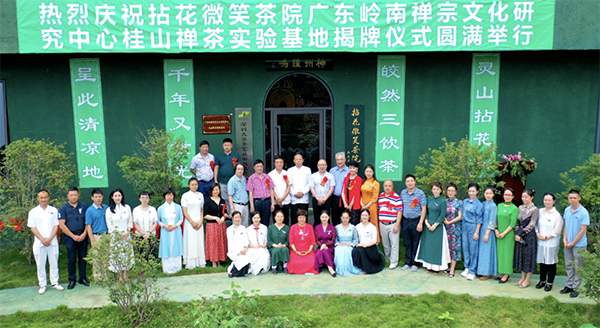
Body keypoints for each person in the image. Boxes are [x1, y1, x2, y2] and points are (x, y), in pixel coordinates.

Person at [28, 189, 64, 294]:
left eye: (45, 197)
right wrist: (43, 239)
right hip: (39, 243)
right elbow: (32, 227)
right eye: (41, 197)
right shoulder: (33, 212)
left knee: (54, 263)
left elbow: (56, 225)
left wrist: (49, 238)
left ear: (48, 198)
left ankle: (55, 282)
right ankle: (42, 284)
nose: (44, 199)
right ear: (38, 199)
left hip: (52, 242)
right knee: (40, 264)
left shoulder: (54, 210)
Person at [58, 187, 89, 290]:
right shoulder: (63, 208)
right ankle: (72, 280)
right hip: (70, 237)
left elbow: (88, 222)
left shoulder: (84, 206)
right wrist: (73, 236)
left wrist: (84, 234)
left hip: (83, 235)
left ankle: (82, 278)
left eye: (75, 195)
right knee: (72, 259)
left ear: (78, 195)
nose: (73, 197)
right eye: (71, 195)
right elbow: (62, 225)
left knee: (83, 258)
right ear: (67, 196)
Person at [415, 182, 450, 273]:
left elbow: (442, 215)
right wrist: (426, 223)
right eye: (434, 189)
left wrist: (434, 225)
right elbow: (426, 212)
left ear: (441, 190)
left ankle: (436, 268)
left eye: (437, 189)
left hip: (437, 228)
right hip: (428, 227)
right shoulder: (429, 199)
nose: (435, 191)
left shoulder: (443, 201)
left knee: (436, 248)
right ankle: (428, 266)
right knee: (428, 247)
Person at [560, 190, 589, 298]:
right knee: (569, 265)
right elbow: (565, 225)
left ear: (579, 198)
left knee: (578, 266)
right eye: (570, 198)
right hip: (568, 243)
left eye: (574, 198)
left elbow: (582, 231)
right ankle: (569, 285)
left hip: (579, 245)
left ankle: (576, 287)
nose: (572, 200)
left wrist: (573, 243)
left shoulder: (583, 212)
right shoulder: (567, 210)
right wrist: (564, 239)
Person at [535, 193, 563, 292]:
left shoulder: (556, 215)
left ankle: (549, 282)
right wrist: (537, 233)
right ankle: (542, 281)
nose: (547, 202)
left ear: (553, 201)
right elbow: (536, 224)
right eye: (545, 200)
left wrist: (547, 237)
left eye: (549, 200)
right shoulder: (540, 211)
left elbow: (557, 230)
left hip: (551, 242)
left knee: (551, 263)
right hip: (541, 241)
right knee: (542, 262)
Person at [400, 174, 427, 272]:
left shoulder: (420, 193)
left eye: (411, 181)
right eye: (408, 181)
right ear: (405, 183)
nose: (410, 183)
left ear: (415, 182)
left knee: (416, 242)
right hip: (406, 220)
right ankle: (408, 262)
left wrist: (420, 223)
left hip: (416, 220)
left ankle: (415, 263)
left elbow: (424, 209)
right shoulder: (403, 193)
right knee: (407, 243)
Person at [514, 189, 539, 288]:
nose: (524, 199)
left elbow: (532, 224)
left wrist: (521, 234)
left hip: (529, 236)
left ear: (531, 197)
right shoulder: (520, 207)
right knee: (522, 256)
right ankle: (522, 277)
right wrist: (518, 232)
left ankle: (528, 279)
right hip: (520, 235)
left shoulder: (535, 209)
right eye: (522, 197)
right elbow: (517, 222)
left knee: (529, 257)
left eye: (526, 197)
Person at [105, 188, 134, 273]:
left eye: (119, 195)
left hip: (126, 236)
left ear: (122, 196)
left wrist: (127, 232)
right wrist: (119, 234)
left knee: (126, 255)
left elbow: (129, 221)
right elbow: (110, 225)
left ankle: (125, 275)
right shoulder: (109, 210)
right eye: (115, 196)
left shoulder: (127, 207)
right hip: (116, 237)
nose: (117, 197)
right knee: (118, 255)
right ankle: (119, 276)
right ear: (112, 197)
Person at [181, 178, 206, 269]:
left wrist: (200, 221)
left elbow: (202, 209)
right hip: (189, 223)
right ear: (189, 185)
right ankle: (191, 263)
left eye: (196, 184)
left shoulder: (200, 195)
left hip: (199, 223)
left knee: (199, 241)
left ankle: (200, 262)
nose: (194, 186)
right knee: (191, 241)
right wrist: (192, 222)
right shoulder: (185, 196)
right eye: (192, 184)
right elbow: (185, 210)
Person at [377, 179, 402, 270]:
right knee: (385, 243)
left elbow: (399, 212)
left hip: (393, 223)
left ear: (392, 186)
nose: (387, 188)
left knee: (394, 244)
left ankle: (394, 261)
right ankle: (387, 258)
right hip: (382, 224)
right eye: (386, 186)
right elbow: (379, 209)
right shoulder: (380, 197)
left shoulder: (397, 197)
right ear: (383, 187)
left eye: (389, 186)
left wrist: (397, 225)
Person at [495, 188, 518, 284]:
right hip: (498, 234)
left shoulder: (514, 208)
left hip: (507, 235)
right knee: (500, 254)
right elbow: (495, 219)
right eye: (505, 194)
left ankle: (506, 274)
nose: (507, 197)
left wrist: (504, 233)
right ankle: (502, 272)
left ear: (513, 196)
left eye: (509, 195)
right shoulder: (499, 206)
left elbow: (512, 224)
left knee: (507, 254)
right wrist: (496, 230)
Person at [158, 188, 183, 274]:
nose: (169, 197)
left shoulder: (178, 207)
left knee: (176, 247)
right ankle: (167, 270)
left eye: (171, 195)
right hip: (165, 231)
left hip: (176, 230)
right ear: (165, 196)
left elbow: (181, 218)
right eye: (167, 195)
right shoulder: (161, 208)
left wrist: (175, 226)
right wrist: (164, 226)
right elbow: (157, 220)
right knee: (166, 248)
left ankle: (177, 268)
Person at [461, 183, 483, 281]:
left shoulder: (478, 204)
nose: (471, 193)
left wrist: (477, 232)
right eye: (470, 191)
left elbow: (479, 219)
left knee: (473, 249)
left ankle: (472, 270)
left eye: (473, 191)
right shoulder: (465, 201)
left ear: (477, 192)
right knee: (465, 248)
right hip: (464, 226)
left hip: (473, 226)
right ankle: (467, 267)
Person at [85, 189, 109, 279]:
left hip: (107, 235)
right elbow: (88, 226)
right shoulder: (89, 211)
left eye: (100, 196)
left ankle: (106, 277)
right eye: (96, 197)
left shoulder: (107, 208)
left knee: (106, 257)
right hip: (96, 236)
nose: (98, 198)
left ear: (102, 197)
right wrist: (92, 239)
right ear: (92, 198)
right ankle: (98, 277)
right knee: (97, 257)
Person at [352, 209, 384, 274]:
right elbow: (355, 238)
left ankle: (366, 269)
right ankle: (360, 267)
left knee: (362, 251)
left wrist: (366, 245)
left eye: (366, 215)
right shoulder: (357, 226)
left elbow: (374, 241)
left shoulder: (373, 227)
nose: (364, 217)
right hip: (360, 246)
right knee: (357, 251)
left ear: (369, 216)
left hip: (370, 247)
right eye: (362, 215)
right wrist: (358, 244)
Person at [204, 183, 228, 267]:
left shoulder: (222, 201)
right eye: (214, 190)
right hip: (212, 226)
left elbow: (225, 213)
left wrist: (223, 218)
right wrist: (215, 218)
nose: (215, 191)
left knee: (220, 242)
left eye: (217, 189)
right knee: (213, 243)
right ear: (211, 191)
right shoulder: (208, 201)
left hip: (221, 225)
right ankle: (213, 261)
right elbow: (205, 215)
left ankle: (220, 260)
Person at [214, 137, 242, 209]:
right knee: (225, 198)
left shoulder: (236, 155)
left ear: (232, 145)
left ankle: (235, 214)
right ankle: (228, 214)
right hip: (223, 181)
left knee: (234, 197)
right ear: (223, 146)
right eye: (225, 145)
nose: (227, 147)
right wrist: (215, 180)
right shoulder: (219, 156)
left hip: (234, 181)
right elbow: (216, 167)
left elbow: (240, 167)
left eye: (228, 145)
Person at [288, 210, 319, 275]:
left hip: (308, 250)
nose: (302, 219)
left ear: (306, 218)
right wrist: (296, 251)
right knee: (293, 263)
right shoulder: (293, 227)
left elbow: (312, 241)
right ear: (297, 218)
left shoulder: (310, 227)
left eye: (303, 217)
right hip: (296, 250)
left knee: (312, 262)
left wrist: (309, 251)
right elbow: (291, 242)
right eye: (300, 217)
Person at [477, 186, 498, 280]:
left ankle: (487, 272)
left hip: (487, 231)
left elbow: (492, 221)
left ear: (493, 194)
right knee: (481, 251)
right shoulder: (482, 204)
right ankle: (480, 270)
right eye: (486, 193)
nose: (488, 195)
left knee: (487, 251)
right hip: (481, 230)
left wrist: (487, 233)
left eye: (490, 193)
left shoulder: (493, 206)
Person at [247, 159, 276, 226]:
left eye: (261, 166)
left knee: (266, 221)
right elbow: (250, 193)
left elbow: (271, 190)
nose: (259, 168)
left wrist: (272, 203)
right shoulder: (251, 178)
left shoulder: (267, 177)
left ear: (263, 167)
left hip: (266, 202)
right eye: (257, 166)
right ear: (254, 167)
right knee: (256, 221)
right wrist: (252, 205)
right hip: (257, 202)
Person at [334, 210, 362, 276]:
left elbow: (356, 239)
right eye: (343, 218)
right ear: (341, 218)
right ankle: (340, 269)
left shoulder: (353, 227)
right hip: (339, 245)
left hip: (349, 245)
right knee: (340, 250)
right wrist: (338, 244)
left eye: (347, 218)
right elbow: (335, 239)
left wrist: (351, 245)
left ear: (349, 218)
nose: (345, 220)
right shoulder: (337, 227)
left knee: (346, 250)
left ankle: (348, 268)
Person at [444, 183, 462, 278]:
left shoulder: (459, 202)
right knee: (447, 247)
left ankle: (452, 269)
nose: (450, 192)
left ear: (455, 192)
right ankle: (447, 266)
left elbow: (460, 216)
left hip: (455, 228)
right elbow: (442, 214)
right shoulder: (444, 202)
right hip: (446, 228)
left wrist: (449, 222)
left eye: (452, 191)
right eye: (449, 191)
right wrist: (445, 221)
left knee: (454, 248)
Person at [132, 191, 158, 259]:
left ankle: (152, 268)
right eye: (143, 198)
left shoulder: (153, 209)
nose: (145, 199)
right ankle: (142, 268)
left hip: (151, 234)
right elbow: (135, 223)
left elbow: (155, 222)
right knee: (141, 253)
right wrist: (143, 233)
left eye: (146, 197)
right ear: (139, 199)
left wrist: (148, 233)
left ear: (149, 199)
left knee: (152, 253)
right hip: (140, 235)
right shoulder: (136, 209)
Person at [287, 153, 311, 226]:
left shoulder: (307, 169)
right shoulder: (290, 170)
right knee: (294, 218)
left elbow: (310, 183)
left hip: (304, 197)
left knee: (304, 217)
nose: (298, 161)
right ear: (294, 161)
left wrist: (303, 192)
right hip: (294, 198)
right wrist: (294, 193)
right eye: (296, 159)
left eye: (300, 159)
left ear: (303, 160)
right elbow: (288, 184)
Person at [310, 159, 335, 225]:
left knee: (327, 218)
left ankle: (328, 234)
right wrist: (318, 198)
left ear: (326, 166)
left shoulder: (330, 176)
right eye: (320, 165)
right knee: (317, 219)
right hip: (316, 199)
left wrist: (325, 199)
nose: (322, 166)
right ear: (317, 166)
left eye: (324, 165)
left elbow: (331, 188)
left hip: (327, 199)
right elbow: (312, 188)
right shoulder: (313, 176)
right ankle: (317, 234)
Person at [226, 211, 251, 277]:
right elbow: (230, 243)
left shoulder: (243, 228)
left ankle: (237, 272)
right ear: (233, 218)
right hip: (234, 250)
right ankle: (232, 271)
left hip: (243, 250)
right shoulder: (229, 229)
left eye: (238, 217)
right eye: (236, 217)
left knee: (247, 257)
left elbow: (246, 239)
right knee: (240, 258)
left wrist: (245, 248)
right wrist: (238, 252)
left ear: (241, 218)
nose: (237, 219)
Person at [269, 156, 292, 224]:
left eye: (281, 162)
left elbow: (288, 186)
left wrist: (283, 198)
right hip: (276, 202)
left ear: (283, 163)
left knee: (286, 220)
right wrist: (277, 198)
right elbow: (271, 188)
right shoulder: (270, 174)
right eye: (277, 162)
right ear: (274, 163)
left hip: (286, 201)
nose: (279, 164)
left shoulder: (287, 174)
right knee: (276, 221)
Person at [361, 164, 380, 243]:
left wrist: (367, 206)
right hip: (363, 206)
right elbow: (361, 194)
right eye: (367, 171)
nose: (368, 173)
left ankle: (375, 241)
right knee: (363, 223)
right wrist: (361, 203)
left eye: (370, 172)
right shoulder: (364, 181)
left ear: (373, 172)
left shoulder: (375, 183)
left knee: (372, 223)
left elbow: (375, 198)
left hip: (371, 206)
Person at [314, 211, 337, 276]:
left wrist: (325, 245)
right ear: (320, 218)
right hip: (320, 246)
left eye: (326, 217)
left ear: (329, 217)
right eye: (322, 217)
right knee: (320, 252)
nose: (324, 219)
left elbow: (333, 240)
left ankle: (330, 269)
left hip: (329, 246)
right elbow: (317, 240)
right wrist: (322, 245)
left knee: (324, 251)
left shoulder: (332, 227)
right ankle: (330, 267)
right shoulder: (317, 227)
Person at [330, 152, 349, 226]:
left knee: (345, 218)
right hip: (335, 197)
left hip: (345, 198)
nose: (339, 161)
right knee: (335, 218)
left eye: (341, 159)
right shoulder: (332, 171)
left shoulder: (349, 171)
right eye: (338, 160)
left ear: (345, 160)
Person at [341, 160, 363, 225]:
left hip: (354, 205)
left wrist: (350, 205)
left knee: (354, 222)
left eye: (354, 168)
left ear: (357, 169)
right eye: (350, 168)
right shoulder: (346, 178)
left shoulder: (359, 179)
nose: (352, 170)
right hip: (346, 204)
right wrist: (345, 203)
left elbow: (357, 193)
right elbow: (343, 191)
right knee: (345, 222)